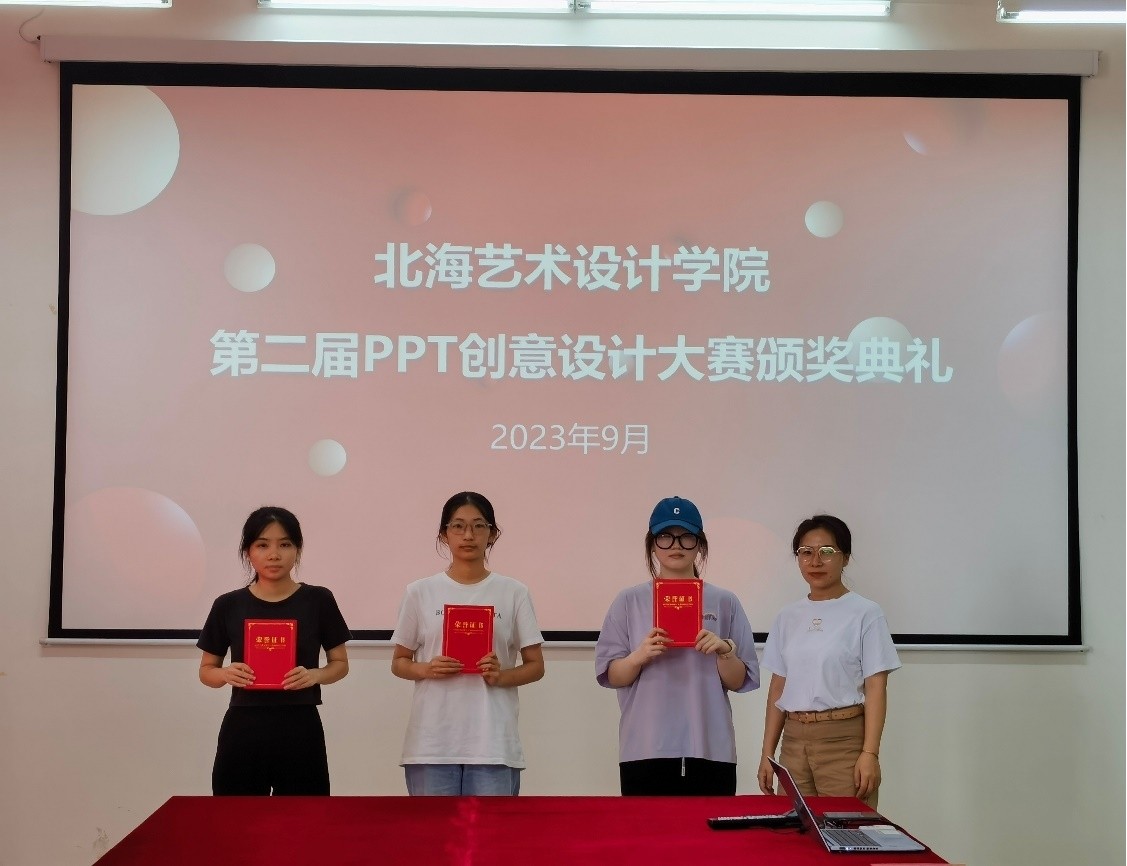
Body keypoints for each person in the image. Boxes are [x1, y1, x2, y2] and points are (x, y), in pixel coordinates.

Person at [595, 496, 760, 796]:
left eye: (686, 536)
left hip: (710, 746)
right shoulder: (629, 601)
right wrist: (639, 656)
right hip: (645, 746)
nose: (676, 545)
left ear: (700, 544)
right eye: (665, 536)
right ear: (652, 544)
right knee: (647, 827)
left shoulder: (724, 601)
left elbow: (738, 681)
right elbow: (612, 675)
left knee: (709, 828)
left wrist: (724, 652)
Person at [390, 491, 545, 796]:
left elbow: (536, 666)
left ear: (492, 534)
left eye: (478, 526)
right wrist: (427, 668)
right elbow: (399, 662)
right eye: (458, 526)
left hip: (493, 745)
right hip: (432, 745)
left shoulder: (513, 592)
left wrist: (501, 676)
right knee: (433, 828)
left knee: (491, 829)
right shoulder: (419, 592)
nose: (468, 535)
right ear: (444, 534)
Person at [197, 506, 351, 796]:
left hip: (300, 725)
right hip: (243, 726)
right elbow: (206, 671)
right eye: (262, 545)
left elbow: (340, 664)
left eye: (285, 544)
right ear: (247, 552)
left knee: (304, 817)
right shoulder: (228, 605)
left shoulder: (318, 600)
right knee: (236, 817)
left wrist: (315, 675)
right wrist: (226, 673)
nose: (274, 554)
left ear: (297, 549)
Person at [757, 514, 900, 809]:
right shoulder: (787, 616)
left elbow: (876, 688)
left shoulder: (866, 613)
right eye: (806, 552)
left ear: (845, 557)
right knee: (793, 832)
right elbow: (778, 688)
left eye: (826, 552)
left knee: (847, 830)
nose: (815, 561)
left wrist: (870, 753)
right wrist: (767, 753)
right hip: (793, 743)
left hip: (843, 741)